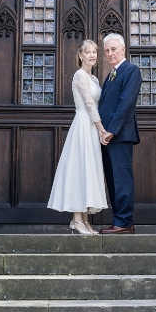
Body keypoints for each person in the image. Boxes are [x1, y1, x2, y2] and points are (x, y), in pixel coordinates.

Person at [47, 39, 108, 235]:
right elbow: (89, 104)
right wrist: (101, 129)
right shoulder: (80, 75)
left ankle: (86, 220)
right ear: (80, 56)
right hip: (84, 125)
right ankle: (76, 219)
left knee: (89, 170)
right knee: (79, 169)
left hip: (92, 126)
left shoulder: (94, 79)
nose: (92, 55)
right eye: (87, 52)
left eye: (94, 53)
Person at [98, 33, 142, 234]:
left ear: (123, 49)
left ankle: (124, 222)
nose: (110, 54)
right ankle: (120, 220)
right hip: (106, 137)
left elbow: (126, 104)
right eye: (107, 50)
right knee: (113, 180)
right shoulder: (110, 74)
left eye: (113, 49)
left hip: (119, 135)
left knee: (122, 179)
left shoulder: (131, 70)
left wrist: (112, 131)